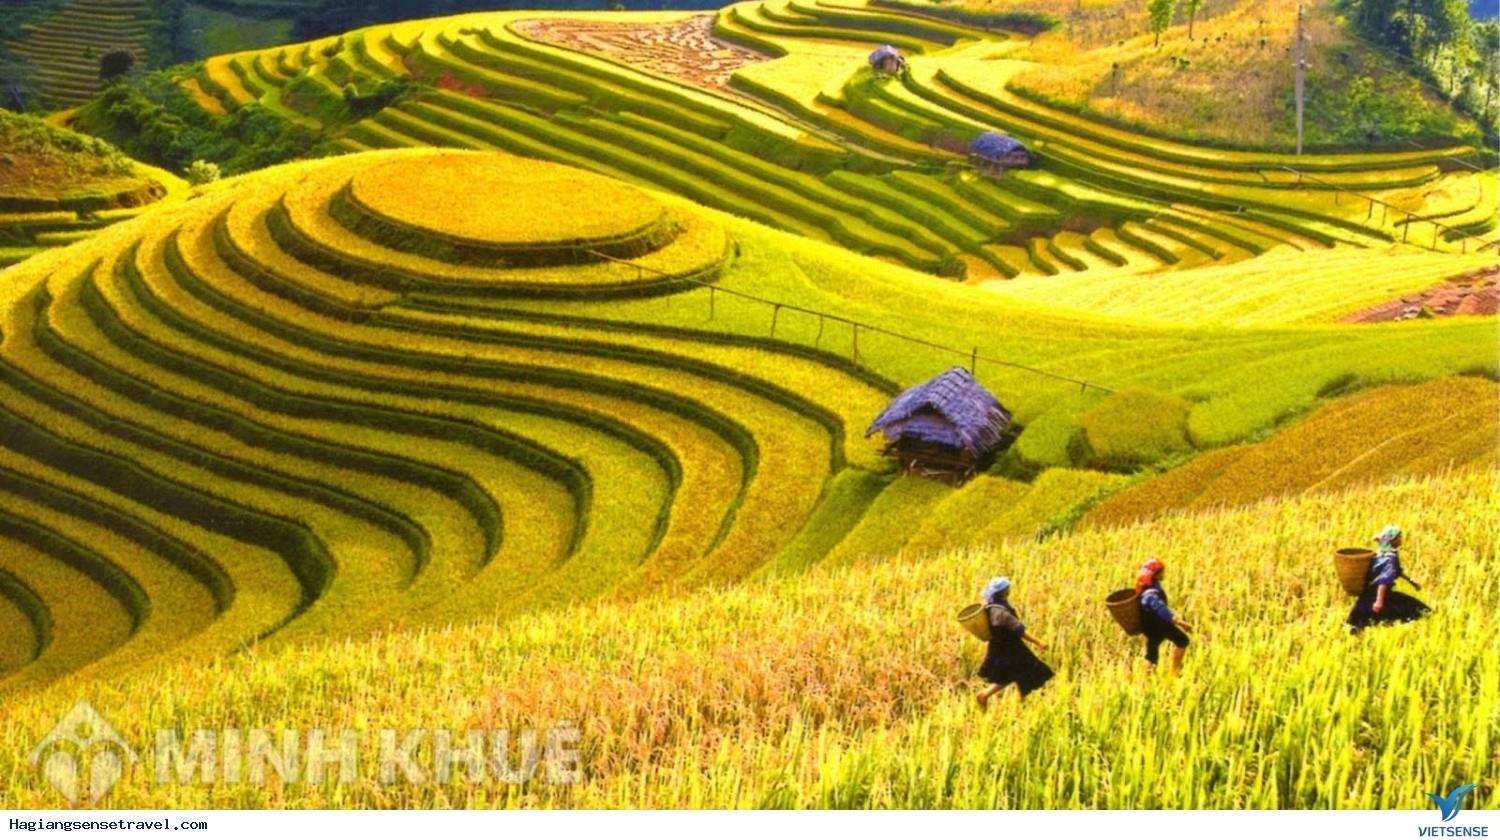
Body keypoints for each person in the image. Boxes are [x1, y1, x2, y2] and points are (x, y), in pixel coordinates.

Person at [975, 576, 1053, 707]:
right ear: (1004, 592)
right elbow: (1019, 630)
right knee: (1016, 673)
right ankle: (984, 695)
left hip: (1002, 646)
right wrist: (1039, 642)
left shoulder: (990, 607)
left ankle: (1023, 703)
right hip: (1010, 648)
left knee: (1019, 674)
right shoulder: (1002, 613)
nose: (1009, 590)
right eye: (1007, 589)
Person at [1347, 525, 1430, 634]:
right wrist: (1379, 601)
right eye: (1399, 537)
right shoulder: (1390, 558)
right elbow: (1384, 580)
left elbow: (1397, 571)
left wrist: (1411, 582)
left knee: (1359, 622)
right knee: (1418, 611)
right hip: (1381, 594)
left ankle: (1358, 640)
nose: (1401, 539)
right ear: (1393, 540)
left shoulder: (1380, 554)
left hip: (1367, 594)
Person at [1136, 558, 1192, 672]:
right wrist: (1181, 623)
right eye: (1161, 572)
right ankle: (1175, 672)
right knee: (1182, 640)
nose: (1163, 574)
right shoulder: (1151, 594)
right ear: (1155, 575)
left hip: (1150, 627)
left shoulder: (1149, 585)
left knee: (1152, 651)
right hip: (1158, 625)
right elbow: (1162, 611)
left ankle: (1147, 675)